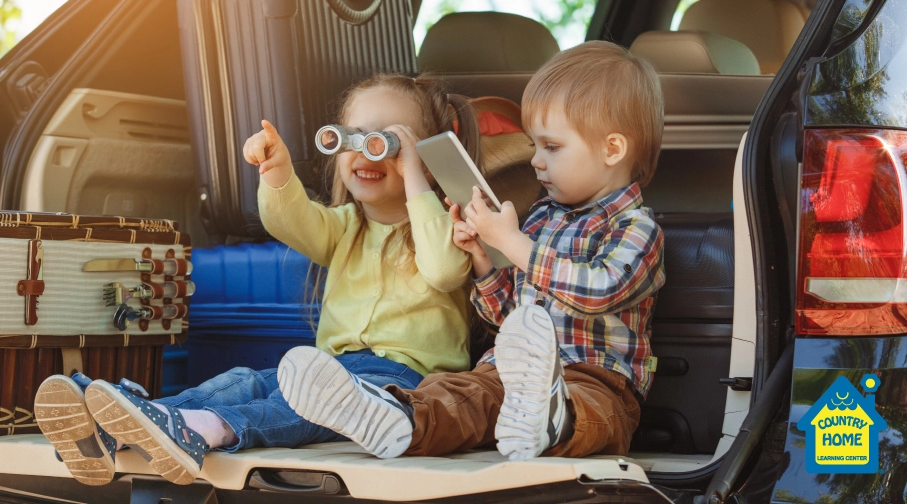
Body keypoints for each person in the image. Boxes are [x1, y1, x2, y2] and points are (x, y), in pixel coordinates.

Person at [34, 73, 481, 485]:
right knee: (247, 380)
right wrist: (278, 171)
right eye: (353, 138)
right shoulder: (345, 226)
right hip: (328, 366)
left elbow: (443, 271)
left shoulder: (446, 226)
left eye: (386, 142)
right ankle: (129, 421)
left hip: (400, 381)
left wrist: (418, 180)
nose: (365, 152)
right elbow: (290, 220)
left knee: (294, 406)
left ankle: (207, 429)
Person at [278, 40, 667, 461]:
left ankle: (552, 419)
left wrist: (515, 244)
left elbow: (599, 292)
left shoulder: (637, 229)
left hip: (594, 376)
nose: (536, 161)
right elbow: (506, 316)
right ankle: (395, 418)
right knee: (458, 394)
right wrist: (483, 261)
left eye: (551, 148)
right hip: (506, 373)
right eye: (534, 146)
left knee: (600, 415)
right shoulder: (538, 218)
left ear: (612, 149)